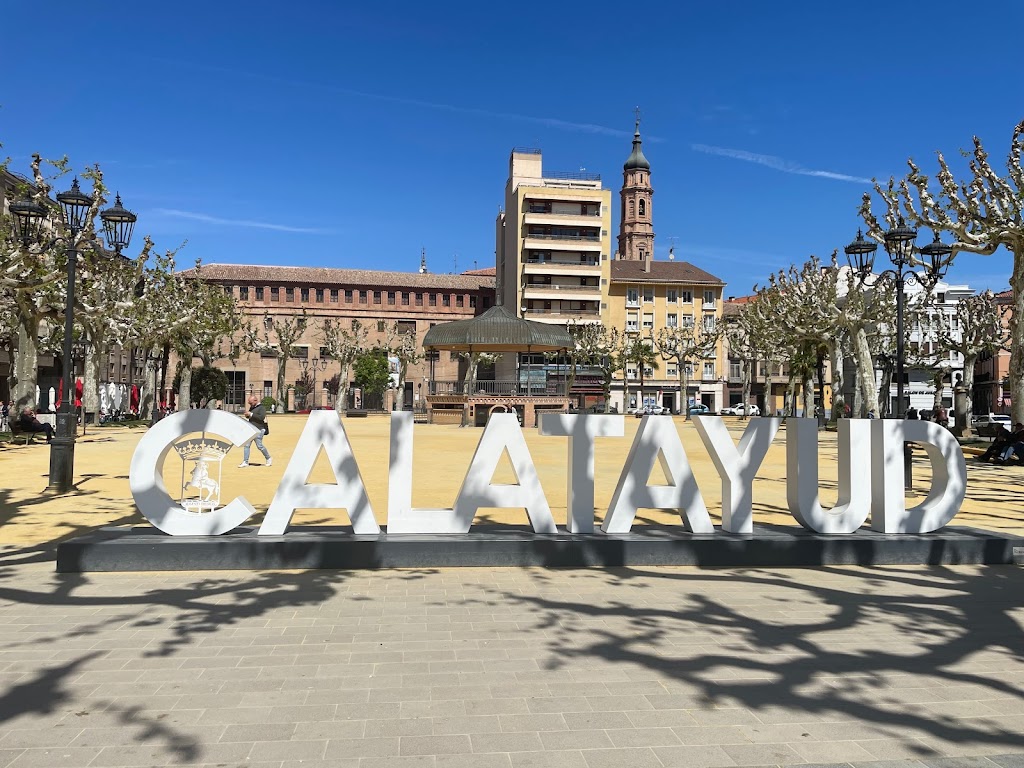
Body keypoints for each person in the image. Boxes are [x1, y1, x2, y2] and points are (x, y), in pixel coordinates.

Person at [239, 394, 272, 467]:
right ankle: (245, 461)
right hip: (251, 429)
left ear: (255, 400)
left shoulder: (262, 408)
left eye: (251, 403)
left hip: (259, 429)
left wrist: (251, 414)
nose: (250, 404)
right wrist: (247, 415)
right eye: (249, 403)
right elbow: (252, 417)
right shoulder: (252, 407)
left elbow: (261, 418)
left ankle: (268, 458)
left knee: (259, 446)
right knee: (246, 445)